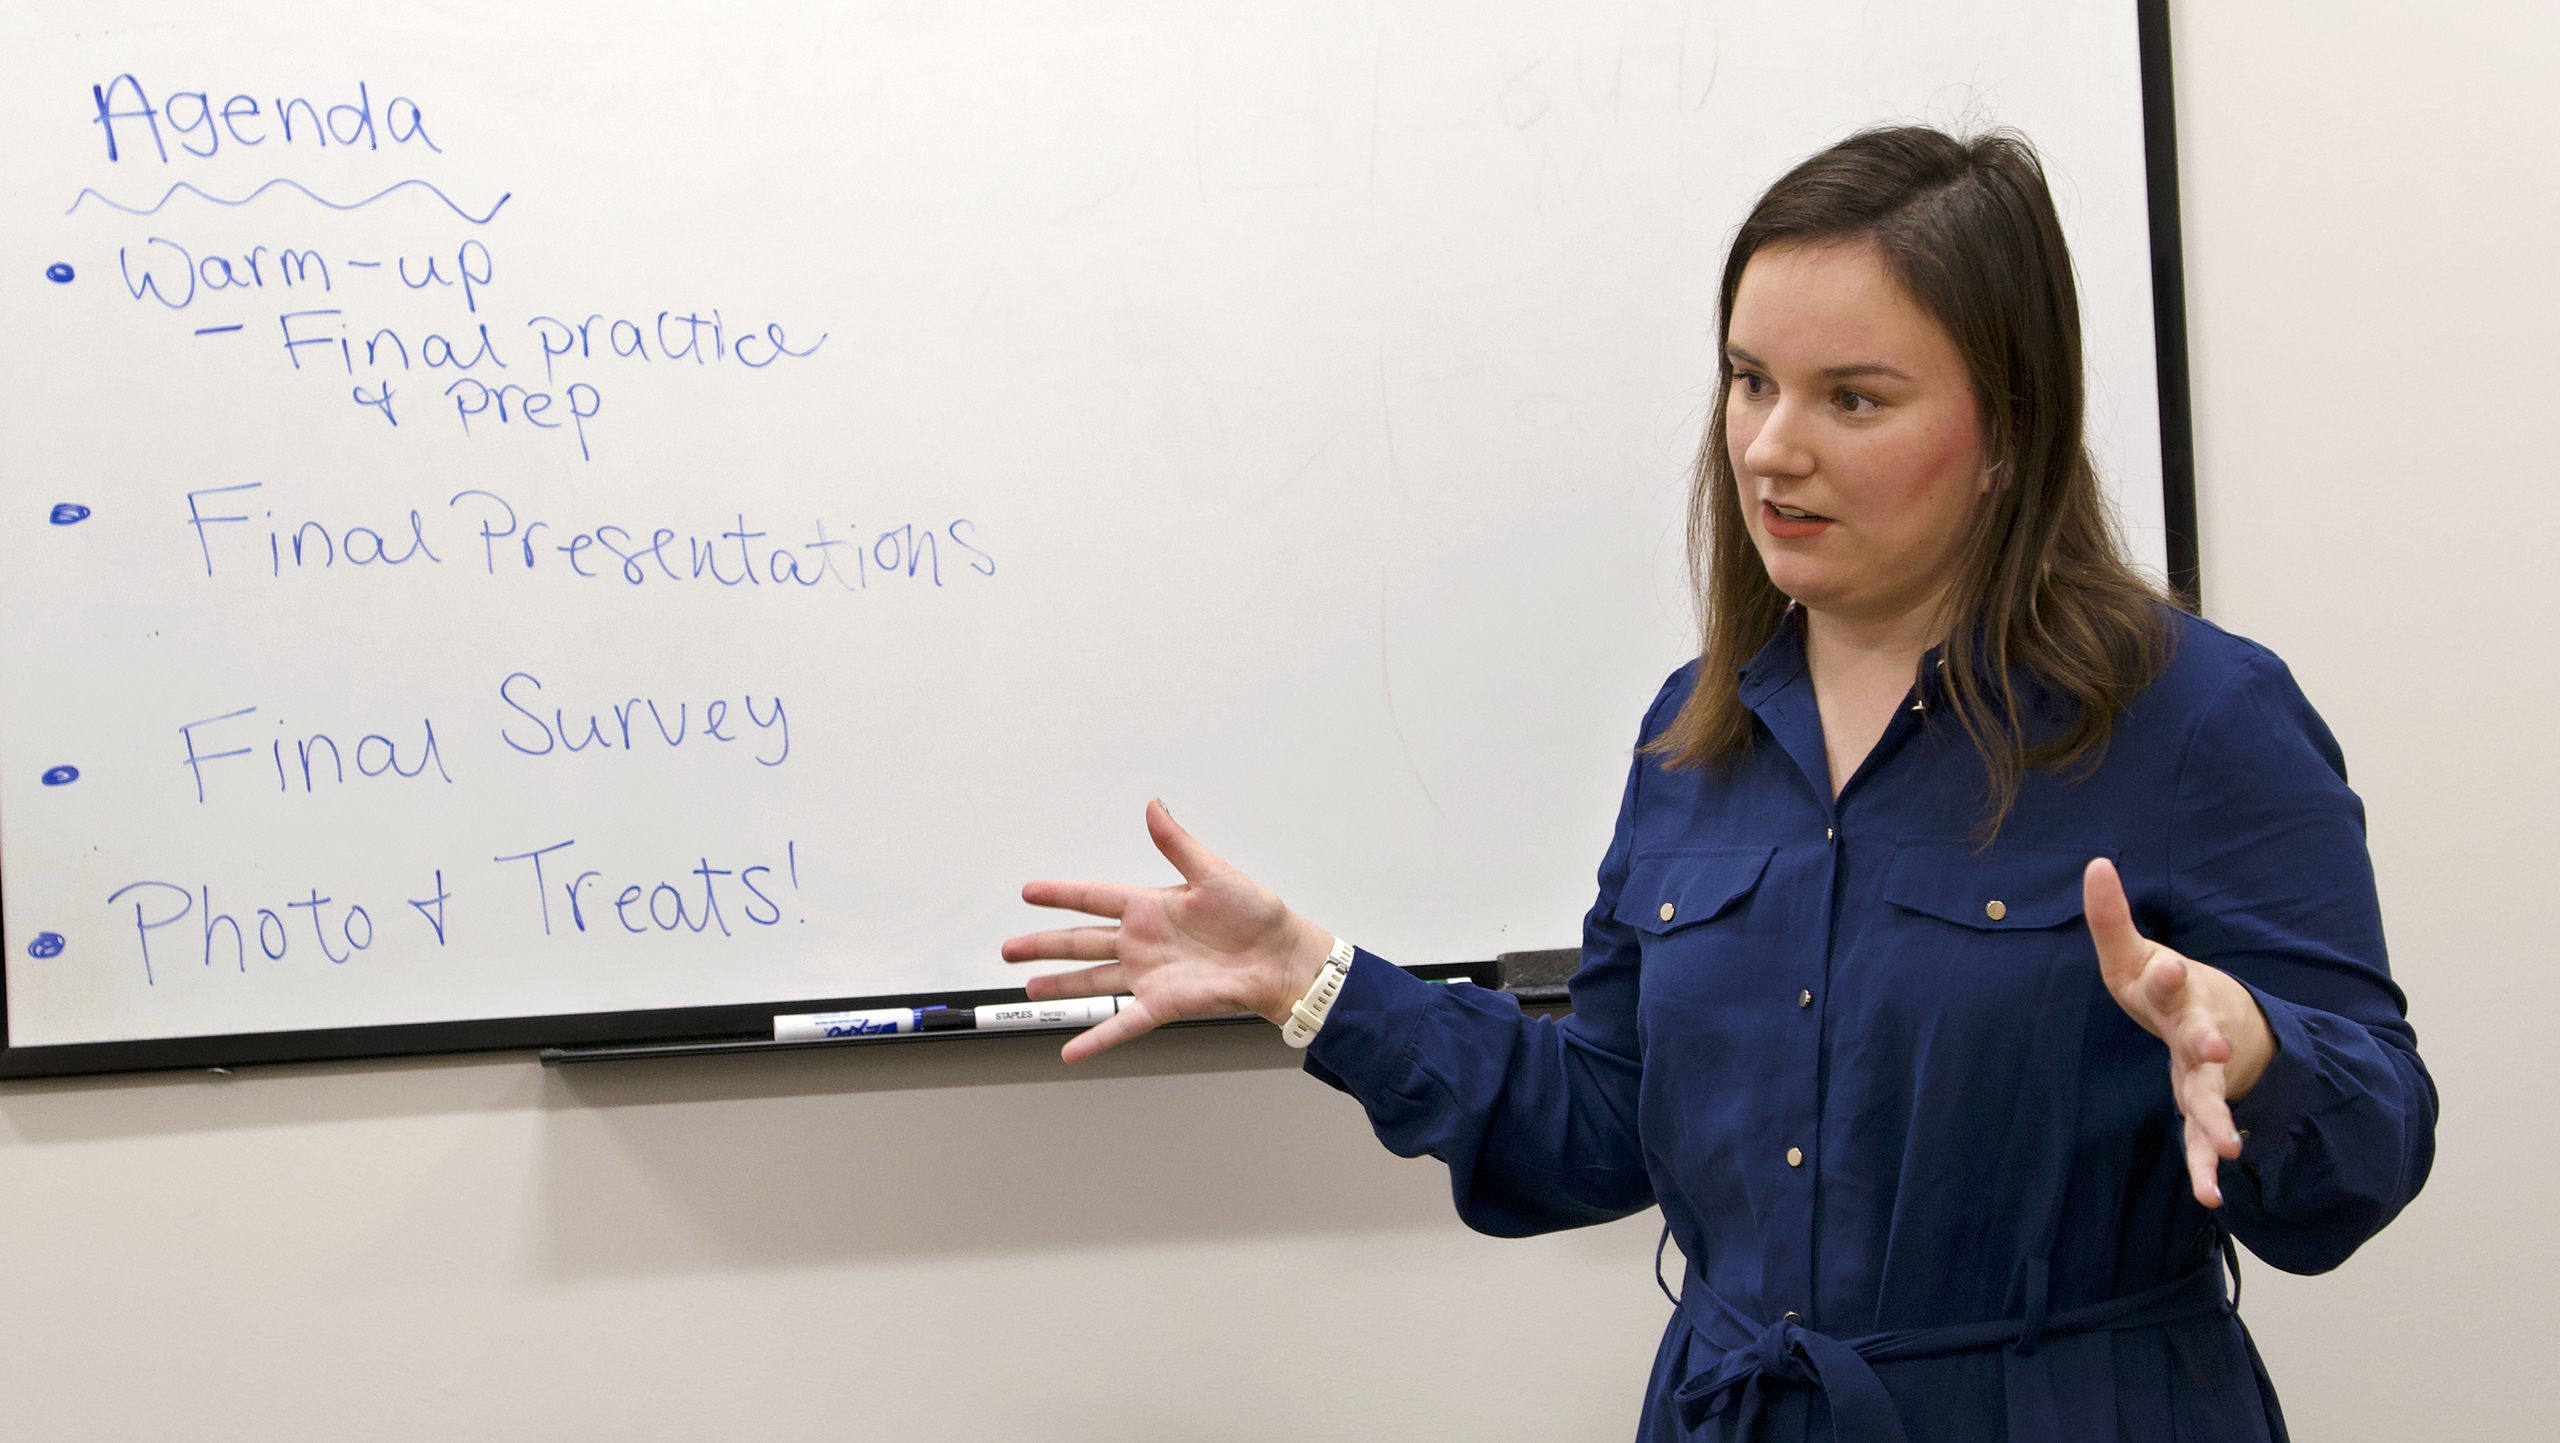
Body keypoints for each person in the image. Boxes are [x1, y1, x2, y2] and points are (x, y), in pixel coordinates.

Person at [1001, 127, 2434, 1442]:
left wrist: (2258, 1051)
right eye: (1751, 381)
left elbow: (2370, 1153)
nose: (1768, 447)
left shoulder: (2196, 717)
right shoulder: (1695, 736)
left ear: (2008, 433)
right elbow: (1595, 1129)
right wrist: (1309, 981)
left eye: (1851, 398)